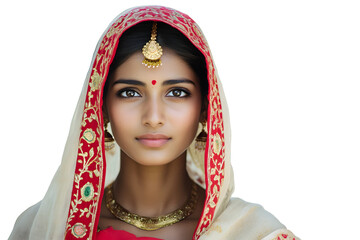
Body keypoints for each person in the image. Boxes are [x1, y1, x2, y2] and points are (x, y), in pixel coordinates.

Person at [9, 6, 299, 240]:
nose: (153, 116)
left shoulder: (253, 233)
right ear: (101, 106)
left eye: (177, 92)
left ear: (205, 108)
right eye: (130, 93)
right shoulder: (44, 227)